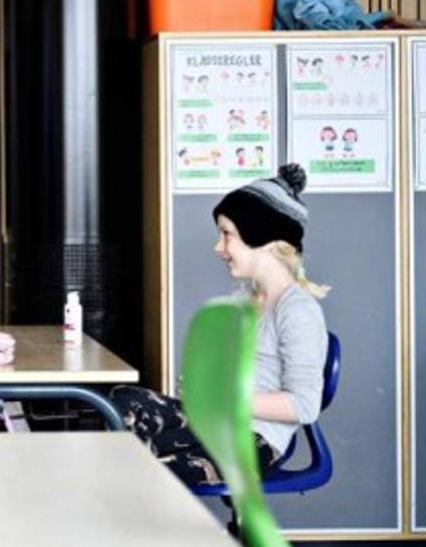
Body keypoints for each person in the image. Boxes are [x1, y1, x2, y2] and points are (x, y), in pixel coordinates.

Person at [111, 164, 328, 487]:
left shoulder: (298, 311)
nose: (218, 247)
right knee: (120, 401)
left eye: (227, 234)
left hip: (255, 438)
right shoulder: (245, 301)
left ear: (264, 240)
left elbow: (305, 406)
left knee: (152, 471)